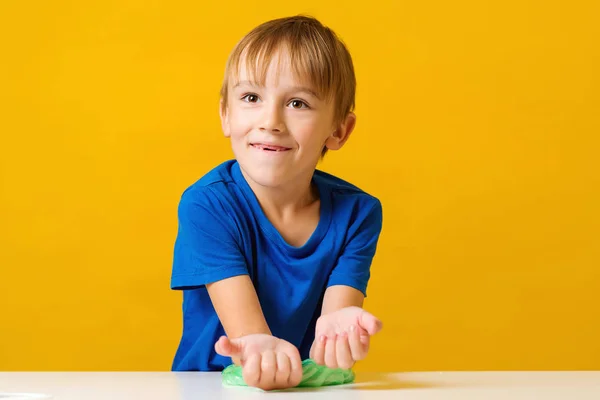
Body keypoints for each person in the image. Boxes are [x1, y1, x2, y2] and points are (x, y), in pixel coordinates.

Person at [170, 15, 384, 390]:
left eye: (298, 103)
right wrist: (257, 344)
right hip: (211, 386)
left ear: (338, 130)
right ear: (225, 113)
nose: (271, 121)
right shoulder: (206, 205)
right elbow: (251, 340)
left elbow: (331, 332)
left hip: (304, 386)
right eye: (251, 98)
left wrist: (337, 337)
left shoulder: (357, 213)